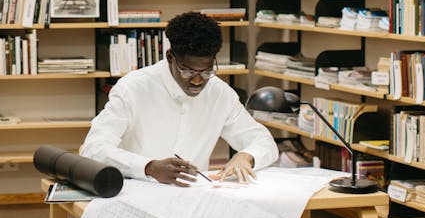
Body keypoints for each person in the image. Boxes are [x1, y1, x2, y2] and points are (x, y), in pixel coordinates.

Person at [80, 11, 278, 186]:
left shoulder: (220, 93)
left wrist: (246, 156)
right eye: (187, 71)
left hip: (193, 197)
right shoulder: (133, 88)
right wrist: (149, 167)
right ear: (169, 57)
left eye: (207, 71)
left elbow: (263, 141)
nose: (198, 80)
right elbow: (93, 148)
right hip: (137, 192)